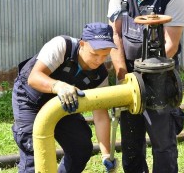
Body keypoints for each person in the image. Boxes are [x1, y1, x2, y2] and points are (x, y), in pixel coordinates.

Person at [107, 0, 184, 173]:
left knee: (163, 143)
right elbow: (114, 33)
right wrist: (124, 77)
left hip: (158, 75)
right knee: (131, 142)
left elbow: (170, 45)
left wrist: (143, 82)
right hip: (128, 72)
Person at [11, 22, 118, 173]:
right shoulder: (62, 45)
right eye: (95, 54)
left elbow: (100, 116)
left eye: (105, 55)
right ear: (82, 44)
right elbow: (34, 78)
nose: (99, 60)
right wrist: (58, 86)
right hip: (30, 99)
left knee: (81, 147)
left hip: (62, 105)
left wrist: (106, 154)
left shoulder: (100, 76)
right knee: (34, 152)